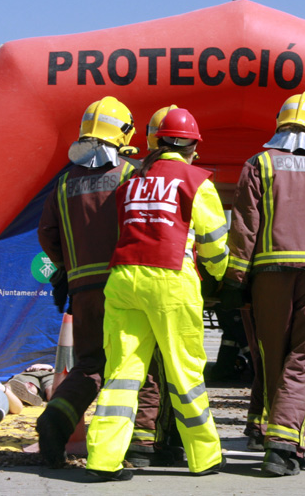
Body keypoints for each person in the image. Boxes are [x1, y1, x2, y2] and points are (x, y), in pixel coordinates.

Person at [85, 107, 229, 481]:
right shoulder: (196, 180)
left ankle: (103, 458)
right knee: (184, 372)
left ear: (156, 141)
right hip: (170, 281)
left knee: (121, 373)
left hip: (122, 279)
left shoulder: (130, 178)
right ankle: (205, 456)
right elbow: (214, 242)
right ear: (193, 147)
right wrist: (218, 273)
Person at [222, 91, 305, 477]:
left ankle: (271, 435)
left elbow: (244, 226)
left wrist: (235, 279)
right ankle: (285, 442)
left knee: (272, 356)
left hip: (269, 276)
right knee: (304, 360)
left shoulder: (260, 163)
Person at [36, 96, 140, 468]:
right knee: (130, 366)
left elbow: (47, 234)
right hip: (124, 286)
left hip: (81, 289)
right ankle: (125, 448)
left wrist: (68, 266)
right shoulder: (131, 174)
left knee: (89, 364)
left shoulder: (64, 182)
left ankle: (54, 421)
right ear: (124, 132)